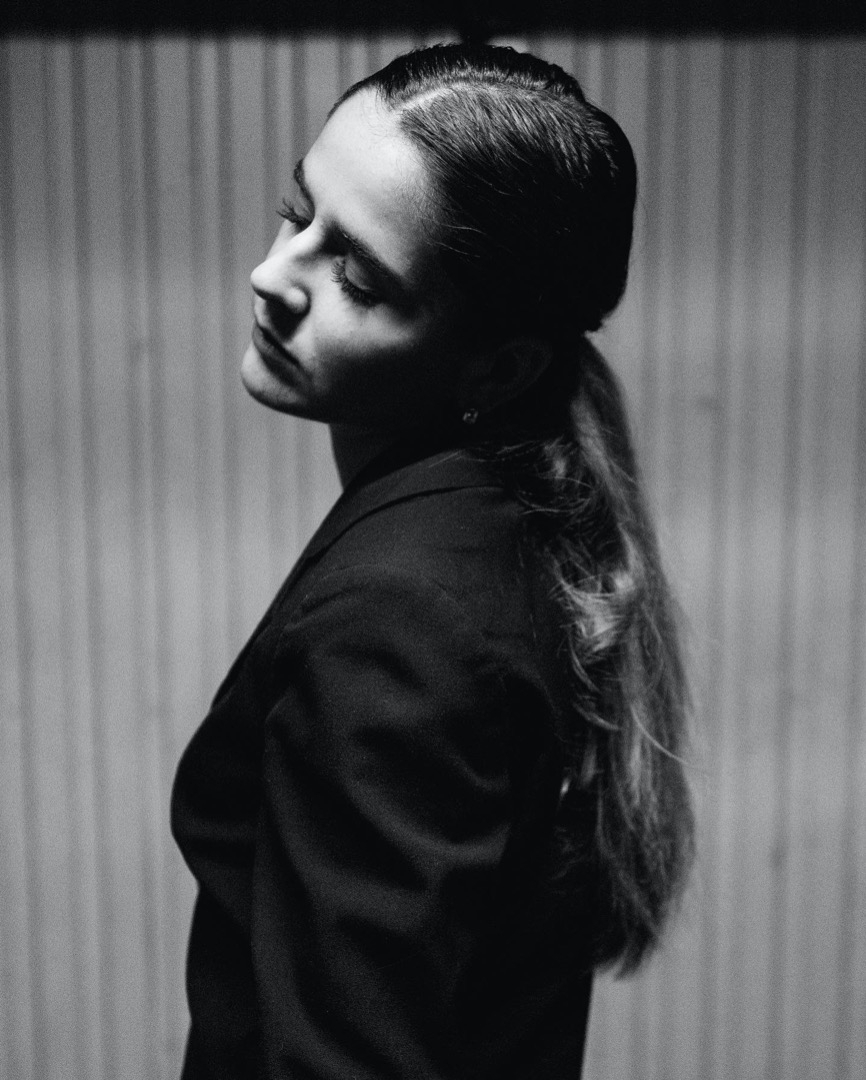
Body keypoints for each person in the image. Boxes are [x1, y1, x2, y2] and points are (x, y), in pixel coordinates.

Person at [171, 42, 694, 1080]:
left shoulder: (395, 621)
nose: (273, 276)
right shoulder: (500, 528)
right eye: (295, 213)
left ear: (496, 369)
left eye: (354, 275)